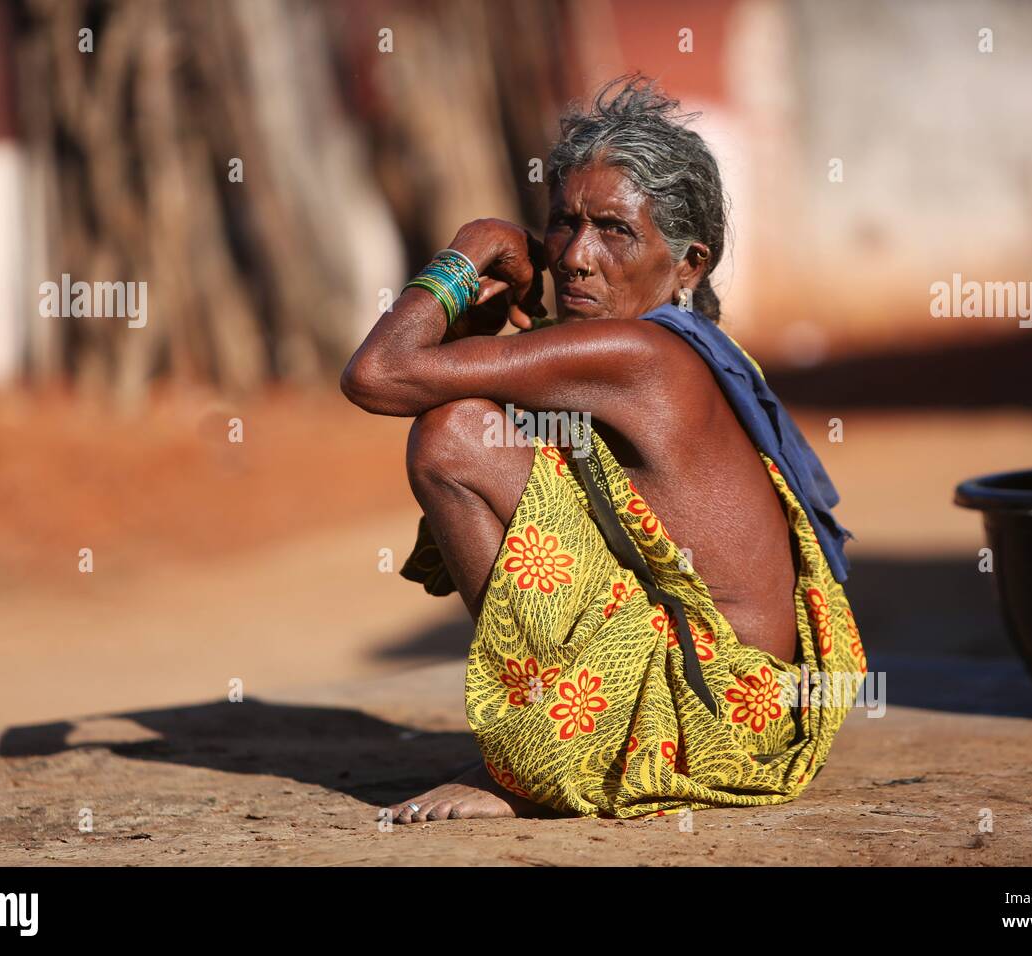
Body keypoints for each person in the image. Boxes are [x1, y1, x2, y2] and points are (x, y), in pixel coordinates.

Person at [342, 74, 864, 824]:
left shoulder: (634, 355)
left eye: (615, 230)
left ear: (689, 264)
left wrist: (471, 249)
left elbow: (379, 374)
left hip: (710, 712)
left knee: (454, 435)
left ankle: (534, 758)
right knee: (481, 427)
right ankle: (548, 737)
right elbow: (440, 372)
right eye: (563, 224)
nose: (575, 256)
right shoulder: (688, 352)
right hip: (745, 706)